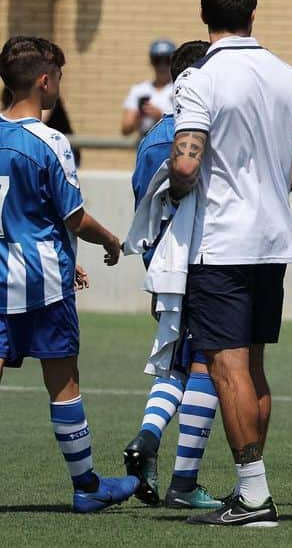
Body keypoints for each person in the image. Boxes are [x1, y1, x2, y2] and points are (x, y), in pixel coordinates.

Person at [170, 0, 292, 527]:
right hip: (273, 243)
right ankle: (249, 490)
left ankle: (253, 496)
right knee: (253, 365)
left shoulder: (200, 79)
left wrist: (170, 192)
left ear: (204, 16)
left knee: (226, 367)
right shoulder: (288, 75)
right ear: (253, 12)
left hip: (220, 243)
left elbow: (186, 162)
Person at [0, 36, 136, 512]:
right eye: (57, 76)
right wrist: (111, 241)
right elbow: (73, 217)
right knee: (63, 381)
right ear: (43, 81)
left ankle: (89, 486)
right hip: (41, 284)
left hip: (2, 277)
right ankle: (86, 487)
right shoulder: (49, 141)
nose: (59, 84)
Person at [121, 40, 223, 511]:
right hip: (200, 265)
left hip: (160, 267)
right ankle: (184, 482)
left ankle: (147, 436)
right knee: (206, 363)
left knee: (175, 364)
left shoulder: (151, 137)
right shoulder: (198, 136)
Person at [122, 38, 176, 137]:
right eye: (157, 60)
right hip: (146, 143)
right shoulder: (139, 90)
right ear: (151, 61)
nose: (162, 66)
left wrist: (160, 116)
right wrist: (138, 117)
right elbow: (125, 130)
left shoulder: (180, 89)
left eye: (166, 60)